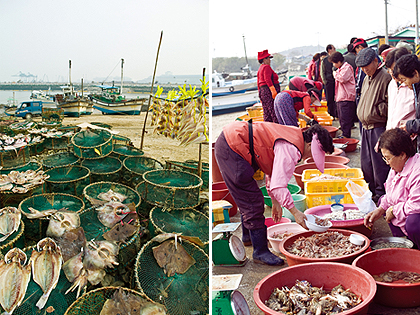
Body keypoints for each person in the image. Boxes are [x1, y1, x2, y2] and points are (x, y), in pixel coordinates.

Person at [214, 122, 334, 265]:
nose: (311, 158)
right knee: (252, 200)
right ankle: (260, 251)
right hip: (233, 146)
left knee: (246, 197)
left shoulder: (294, 136)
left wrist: (276, 201)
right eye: (314, 154)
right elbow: (278, 185)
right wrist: (295, 212)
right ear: (309, 145)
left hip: (234, 142)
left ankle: (248, 237)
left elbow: (273, 171)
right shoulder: (291, 148)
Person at [364, 128, 420, 249]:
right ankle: (404, 240)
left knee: (414, 222)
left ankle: (416, 245)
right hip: (407, 208)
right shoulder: (398, 166)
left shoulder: (417, 171)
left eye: (388, 158)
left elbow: (416, 205)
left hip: (416, 215)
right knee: (383, 202)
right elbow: (390, 194)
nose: (387, 162)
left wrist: (393, 210)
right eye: (384, 158)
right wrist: (380, 210)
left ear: (402, 155)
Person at [356, 47, 392, 203]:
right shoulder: (366, 78)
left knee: (379, 165)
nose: (364, 70)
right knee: (366, 164)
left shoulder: (385, 78)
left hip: (378, 127)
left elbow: (390, 104)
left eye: (367, 66)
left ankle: (381, 195)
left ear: (376, 62)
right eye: (362, 67)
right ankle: (371, 192)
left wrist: (375, 111)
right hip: (365, 128)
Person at [393, 54, 420, 152]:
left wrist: (410, 126)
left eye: (404, 79)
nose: (404, 83)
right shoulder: (417, 88)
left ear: (415, 73)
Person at [384, 47, 415, 130]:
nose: (394, 74)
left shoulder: (413, 85)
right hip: (392, 136)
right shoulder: (391, 85)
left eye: (395, 70)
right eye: (390, 70)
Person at [329, 51, 356, 138]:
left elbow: (342, 78)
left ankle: (346, 135)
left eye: (334, 63)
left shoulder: (346, 68)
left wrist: (334, 74)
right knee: (342, 117)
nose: (333, 65)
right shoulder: (341, 68)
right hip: (341, 97)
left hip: (346, 97)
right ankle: (344, 134)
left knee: (345, 118)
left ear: (339, 62)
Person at [257, 50, 280, 123]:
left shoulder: (260, 68)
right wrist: (273, 90)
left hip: (263, 92)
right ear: (264, 59)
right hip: (268, 92)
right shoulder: (266, 67)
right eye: (268, 58)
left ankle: (268, 129)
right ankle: (277, 128)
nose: (269, 60)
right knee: (274, 111)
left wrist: (260, 94)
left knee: (267, 112)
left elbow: (258, 83)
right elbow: (267, 79)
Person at [321, 44, 337, 118]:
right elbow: (322, 72)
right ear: (329, 50)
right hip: (329, 82)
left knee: (336, 99)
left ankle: (336, 113)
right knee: (329, 99)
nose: (335, 50)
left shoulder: (336, 58)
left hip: (336, 81)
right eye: (334, 48)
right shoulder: (324, 60)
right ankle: (331, 114)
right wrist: (325, 82)